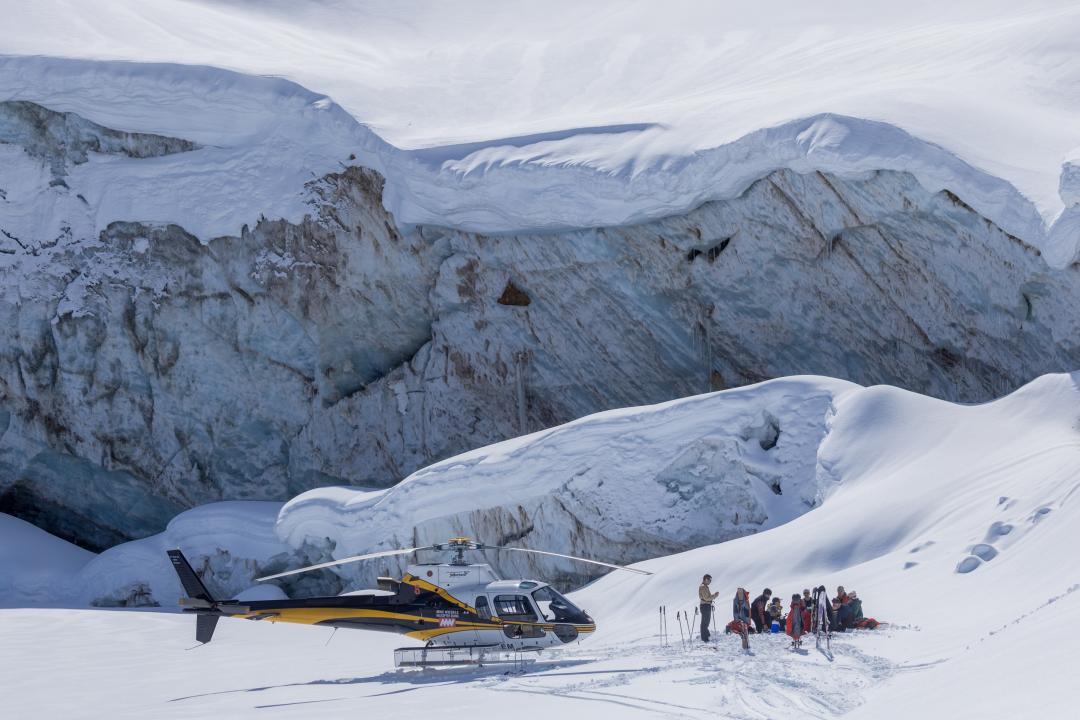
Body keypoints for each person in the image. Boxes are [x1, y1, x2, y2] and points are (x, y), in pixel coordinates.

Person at [699, 574, 719, 641]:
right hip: (705, 606)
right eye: (709, 580)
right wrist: (715, 595)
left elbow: (707, 598)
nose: (710, 581)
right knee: (705, 622)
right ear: (706, 579)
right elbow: (707, 598)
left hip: (706, 605)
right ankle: (704, 638)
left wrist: (713, 596)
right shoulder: (703, 587)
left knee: (706, 622)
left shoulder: (705, 587)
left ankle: (706, 635)